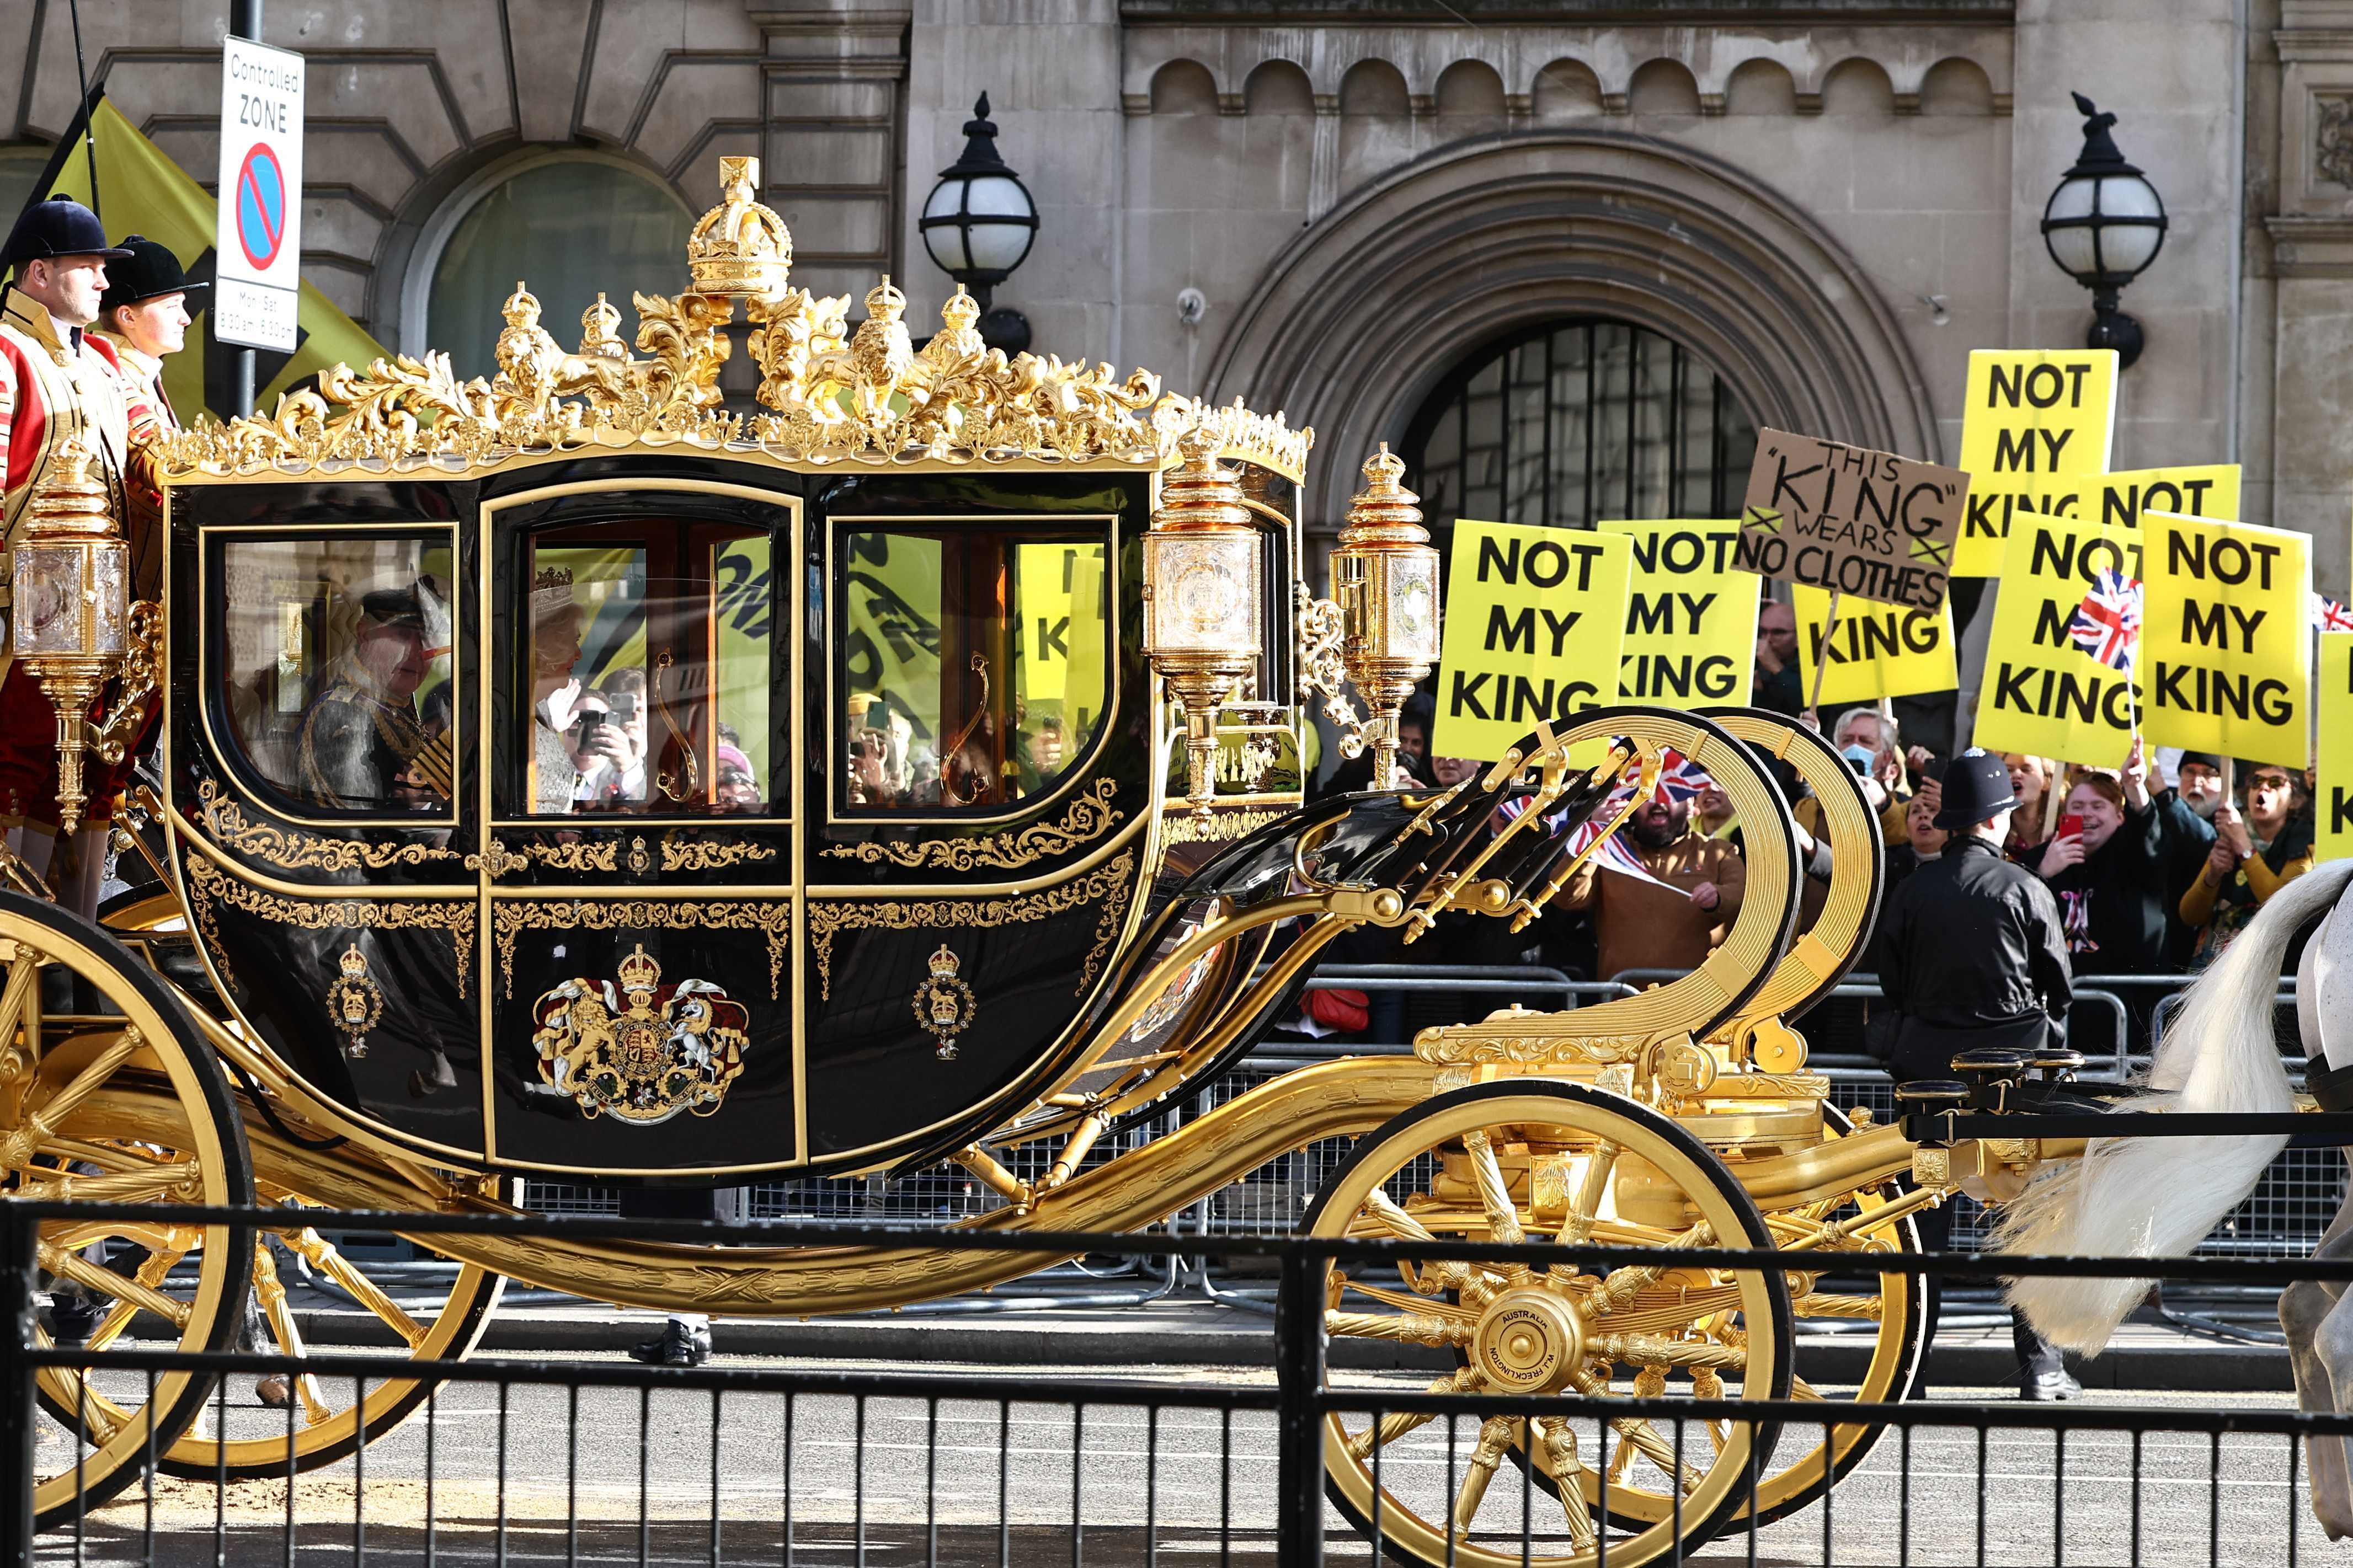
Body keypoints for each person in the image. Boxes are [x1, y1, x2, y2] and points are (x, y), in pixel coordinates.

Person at [1875, 748, 2077, 1401]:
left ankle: (1907, 1369)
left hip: (1930, 1082)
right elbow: (2059, 987)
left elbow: (1894, 985)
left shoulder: (1912, 890)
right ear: (1995, 818)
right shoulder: (2024, 888)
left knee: (1921, 1224)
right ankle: (2040, 1366)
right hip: (2011, 1086)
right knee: (2027, 1222)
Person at [0, 197, 162, 913]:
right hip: (31, 593)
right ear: (39, 272)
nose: (103, 282)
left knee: (78, 767)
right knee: (19, 761)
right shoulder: (6, 355)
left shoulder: (94, 358)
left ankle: (67, 937)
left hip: (97, 592)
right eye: (88, 267)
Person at [1558, 782, 1744, 983]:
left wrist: (1719, 898)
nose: (1659, 803)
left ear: (1690, 804)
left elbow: (1745, 902)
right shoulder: (1610, 850)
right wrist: (1593, 837)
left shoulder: (1719, 852)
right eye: (1649, 794)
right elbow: (1567, 898)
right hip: (1622, 1001)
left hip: (1698, 1000)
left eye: (1670, 793)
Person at [2034, 742, 2179, 979]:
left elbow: (2146, 829)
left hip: (2127, 1001)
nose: (2087, 814)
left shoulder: (2134, 852)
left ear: (2120, 816)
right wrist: (2041, 874)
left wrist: (2135, 789)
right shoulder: (2044, 857)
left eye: (2098, 806)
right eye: (2077, 806)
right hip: (2066, 1003)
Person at [297, 588, 451, 810]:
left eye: (426, 638)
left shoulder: (398, 705)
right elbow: (356, 824)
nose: (419, 652)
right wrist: (417, 804)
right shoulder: (341, 714)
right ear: (364, 634)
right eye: (403, 635)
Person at [2180, 759, 2314, 968]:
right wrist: (2212, 876)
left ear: (2295, 800)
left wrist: (2244, 848)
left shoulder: (2303, 841)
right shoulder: (2229, 835)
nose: (2263, 787)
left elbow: (2283, 907)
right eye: (2256, 780)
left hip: (2266, 966)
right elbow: (2189, 915)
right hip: (2215, 965)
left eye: (2276, 782)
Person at [90, 236, 199, 437]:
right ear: (128, 316)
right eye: (172, 307)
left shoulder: (138, 373)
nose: (185, 319)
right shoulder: (108, 375)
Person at [2000, 753, 2059, 863]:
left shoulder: (2060, 831)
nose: (2016, 774)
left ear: (2047, 782)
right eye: (2009, 770)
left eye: (2026, 769)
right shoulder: (1995, 835)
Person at [1753, 598, 1802, 718]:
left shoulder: (1809, 667)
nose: (1767, 640)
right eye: (1763, 631)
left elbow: (1803, 706)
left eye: (1778, 632)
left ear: (1798, 637)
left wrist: (1776, 668)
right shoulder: (1752, 661)